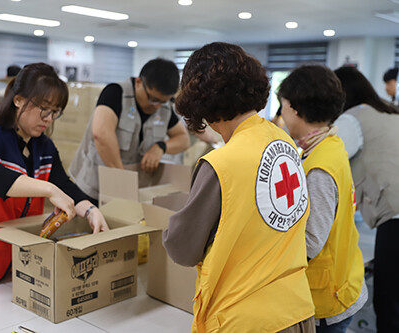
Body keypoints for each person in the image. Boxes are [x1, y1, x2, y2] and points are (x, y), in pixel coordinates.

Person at [163, 42, 315, 332]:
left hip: (245, 317)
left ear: (200, 102)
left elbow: (183, 248)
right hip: (296, 309)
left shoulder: (221, 164)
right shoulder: (283, 141)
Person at [0, 62, 109, 288]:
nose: (49, 118)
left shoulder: (44, 147)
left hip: (13, 261)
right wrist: (49, 190)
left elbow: (63, 183)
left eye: (55, 111)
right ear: (18, 100)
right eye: (44, 108)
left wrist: (90, 210)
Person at [278, 65, 367, 332]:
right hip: (342, 280)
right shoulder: (330, 143)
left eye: (282, 105)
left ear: (294, 108)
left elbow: (311, 242)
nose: (281, 114)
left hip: (327, 296)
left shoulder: (319, 168)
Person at [68, 58, 190, 205]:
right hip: (93, 185)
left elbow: (183, 139)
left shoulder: (164, 107)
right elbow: (101, 134)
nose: (157, 106)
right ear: (138, 82)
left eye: (162, 101)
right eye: (152, 99)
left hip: (128, 188)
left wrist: (160, 147)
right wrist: (122, 180)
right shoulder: (116, 93)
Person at [333, 66, 399, 332]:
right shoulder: (390, 111)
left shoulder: (351, 119)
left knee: (389, 304)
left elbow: (330, 161)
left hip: (395, 217)